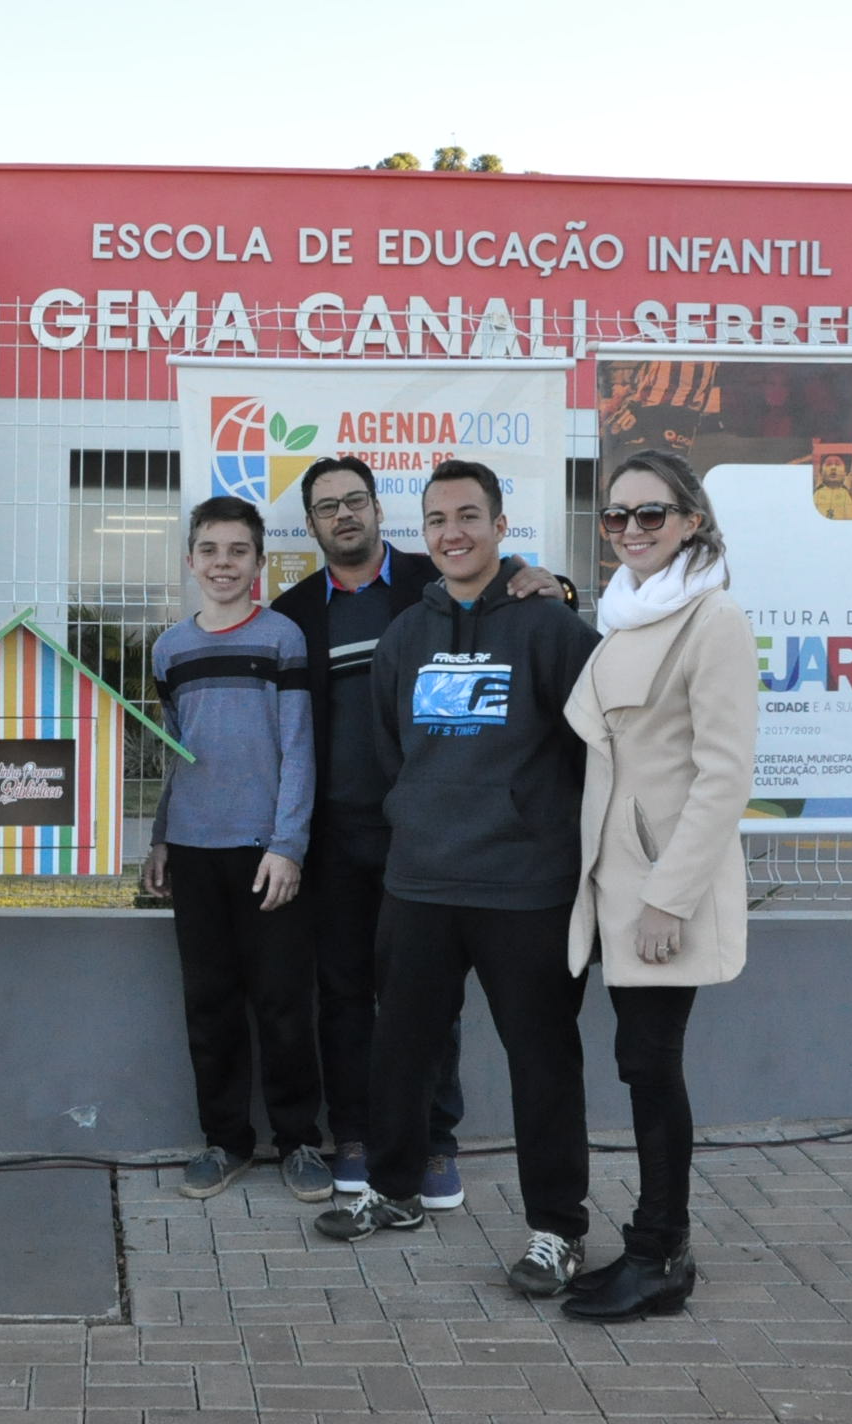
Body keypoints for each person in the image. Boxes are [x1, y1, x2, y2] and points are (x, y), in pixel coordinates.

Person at [313, 460, 600, 1300]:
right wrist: (425, 819)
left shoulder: (551, 628)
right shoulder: (407, 634)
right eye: (437, 519)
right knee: (400, 1050)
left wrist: (537, 826)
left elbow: (592, 747)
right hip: (422, 881)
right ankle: (395, 1189)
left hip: (525, 887)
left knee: (543, 1063)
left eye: (469, 516)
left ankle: (558, 1230)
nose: (453, 532)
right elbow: (392, 749)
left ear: (501, 526)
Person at [560, 451, 756, 1323]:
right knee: (639, 1064)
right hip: (610, 883)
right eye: (617, 516)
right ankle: (652, 1246)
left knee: (649, 1064)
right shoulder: (624, 614)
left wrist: (668, 899)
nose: (631, 530)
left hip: (661, 892)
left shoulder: (713, 619)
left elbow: (725, 776)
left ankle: (661, 1254)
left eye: (651, 514)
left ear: (690, 522)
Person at [143, 496, 330, 1203]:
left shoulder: (282, 638)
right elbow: (174, 752)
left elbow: (299, 748)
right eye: (210, 550)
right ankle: (225, 1141)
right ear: (191, 561)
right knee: (210, 1004)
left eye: (238, 551)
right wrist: (161, 836)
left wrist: (289, 845)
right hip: (193, 852)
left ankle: (299, 1140)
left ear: (259, 561)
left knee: (283, 1003)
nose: (223, 563)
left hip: (265, 854)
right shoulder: (169, 648)